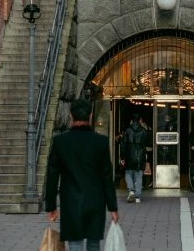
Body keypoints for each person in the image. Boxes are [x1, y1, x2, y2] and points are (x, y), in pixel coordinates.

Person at [46, 98, 119, 251]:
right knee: (93, 243)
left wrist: (51, 206)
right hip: (95, 201)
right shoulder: (101, 141)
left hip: (70, 201)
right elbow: (107, 176)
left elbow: (52, 175)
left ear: (71, 116)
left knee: (75, 243)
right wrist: (112, 207)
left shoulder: (60, 141)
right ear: (90, 116)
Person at [120, 113, 148, 203]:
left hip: (129, 153)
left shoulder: (127, 130)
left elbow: (123, 144)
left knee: (128, 173)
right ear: (140, 120)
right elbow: (146, 143)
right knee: (139, 175)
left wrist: (122, 157)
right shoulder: (144, 131)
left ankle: (131, 190)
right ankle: (137, 197)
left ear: (131, 121)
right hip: (140, 154)